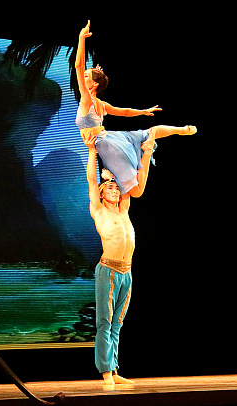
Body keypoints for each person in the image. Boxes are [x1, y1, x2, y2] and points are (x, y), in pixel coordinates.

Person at [75, 20, 197, 198]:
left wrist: (81, 38)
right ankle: (182, 130)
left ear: (93, 85)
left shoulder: (87, 100)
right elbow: (124, 112)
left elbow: (78, 65)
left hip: (107, 145)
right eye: (84, 75)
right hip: (109, 139)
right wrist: (142, 111)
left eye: (86, 76)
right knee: (149, 132)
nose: (82, 76)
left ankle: (147, 153)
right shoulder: (101, 104)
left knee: (136, 192)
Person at [83, 129, 154, 385]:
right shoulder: (99, 211)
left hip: (127, 271)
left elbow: (135, 181)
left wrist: (145, 155)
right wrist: (92, 151)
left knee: (118, 323)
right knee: (105, 322)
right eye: (110, 188)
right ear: (102, 193)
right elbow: (92, 180)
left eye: (116, 188)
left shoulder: (124, 210)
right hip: (109, 270)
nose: (114, 190)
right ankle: (105, 372)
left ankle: (113, 369)